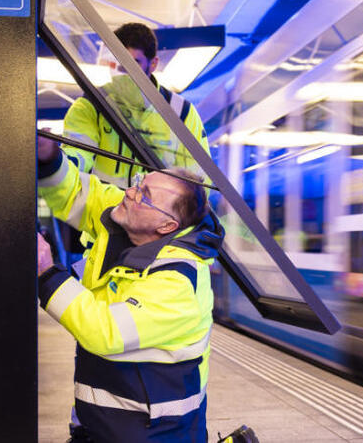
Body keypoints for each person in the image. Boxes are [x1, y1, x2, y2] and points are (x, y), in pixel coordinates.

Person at [36, 133, 224, 442]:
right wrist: (48, 157)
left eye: (146, 195)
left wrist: (46, 273)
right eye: (138, 182)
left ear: (166, 227)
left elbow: (105, 331)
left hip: (158, 435)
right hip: (104, 427)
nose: (132, 193)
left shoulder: (179, 282)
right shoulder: (126, 216)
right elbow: (75, 193)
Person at [61, 22, 210, 189]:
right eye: (117, 63)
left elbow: (197, 179)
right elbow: (77, 156)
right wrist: (56, 160)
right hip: (103, 211)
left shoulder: (181, 113)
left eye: (134, 63)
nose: (123, 72)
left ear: (153, 64)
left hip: (157, 212)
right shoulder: (90, 106)